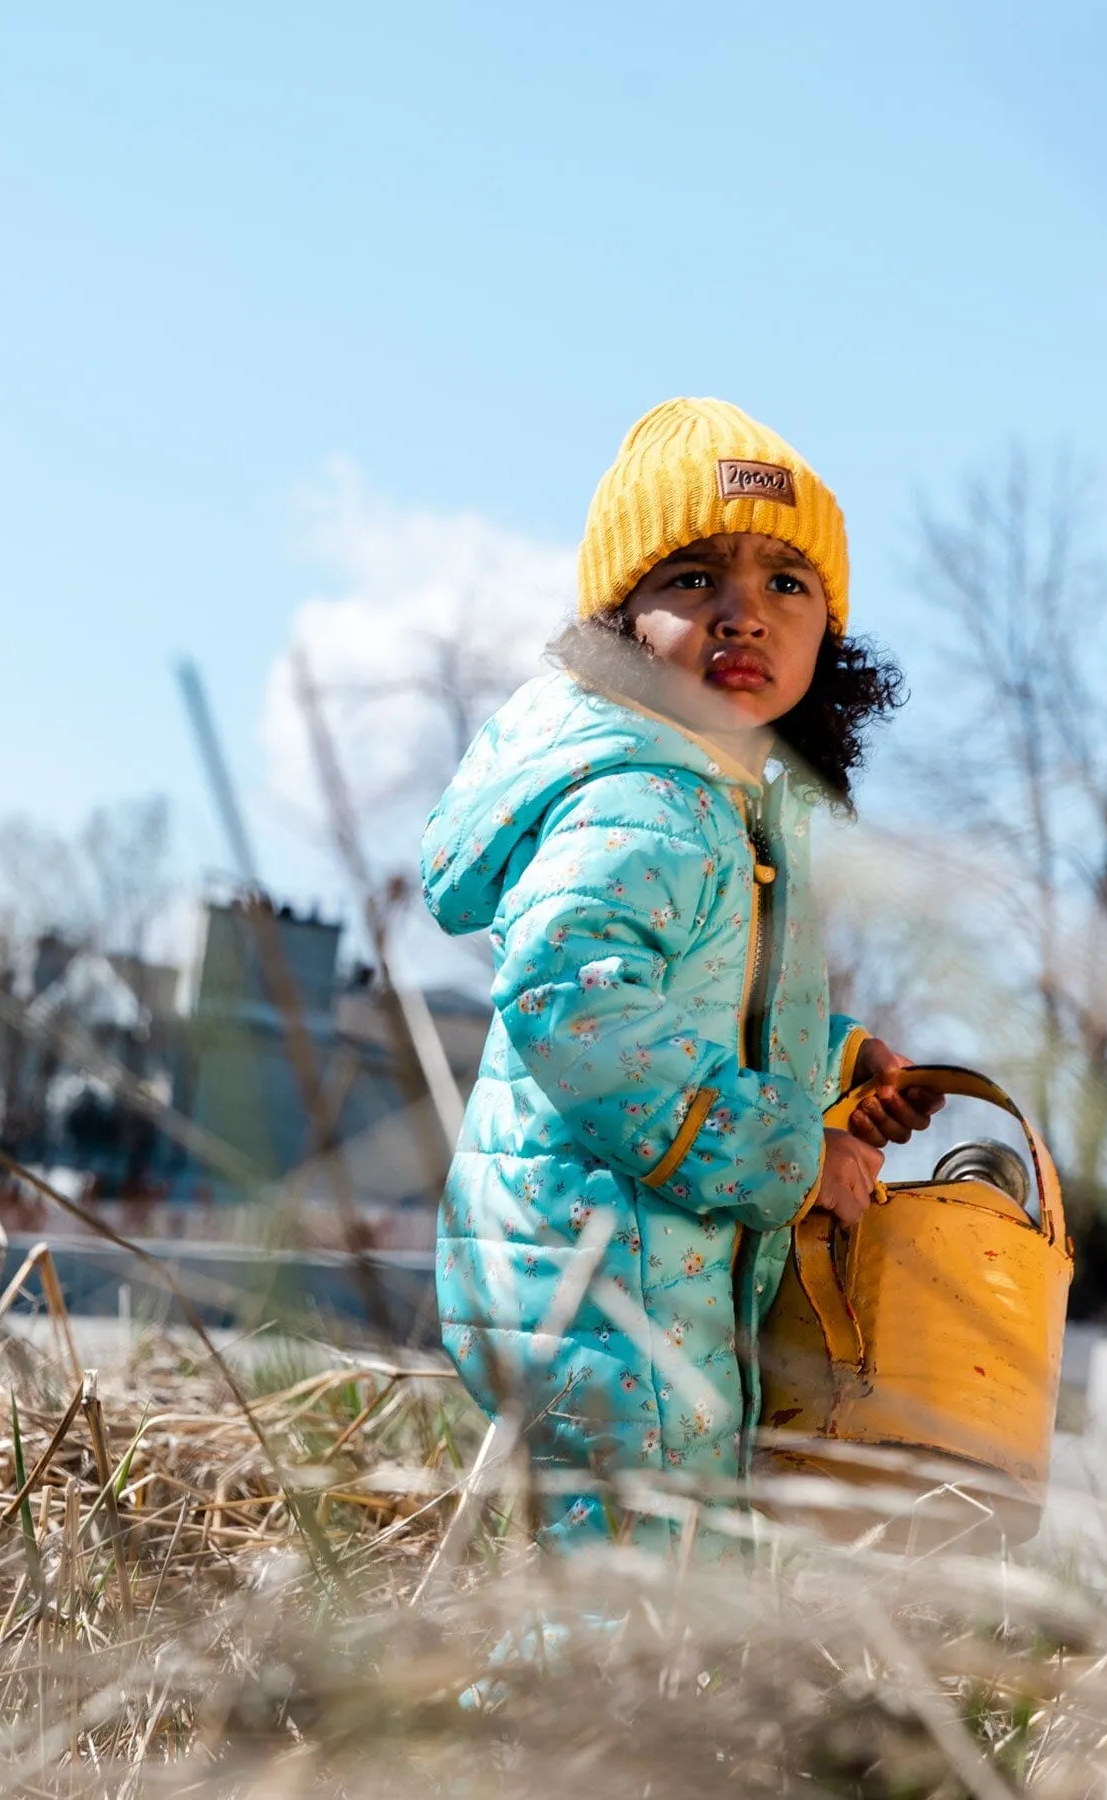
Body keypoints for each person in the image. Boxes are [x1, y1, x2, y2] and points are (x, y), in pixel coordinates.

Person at [420, 397, 941, 1551]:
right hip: (593, 1276)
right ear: (621, 618)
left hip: (650, 1267)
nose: (743, 612)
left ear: (830, 635)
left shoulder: (723, 797)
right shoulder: (641, 797)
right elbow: (578, 1002)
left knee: (667, 1567)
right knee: (628, 1603)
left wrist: (838, 1060)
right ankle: (550, 1733)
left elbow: (701, 990)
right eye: (696, 577)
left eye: (787, 585)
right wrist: (793, 1155)